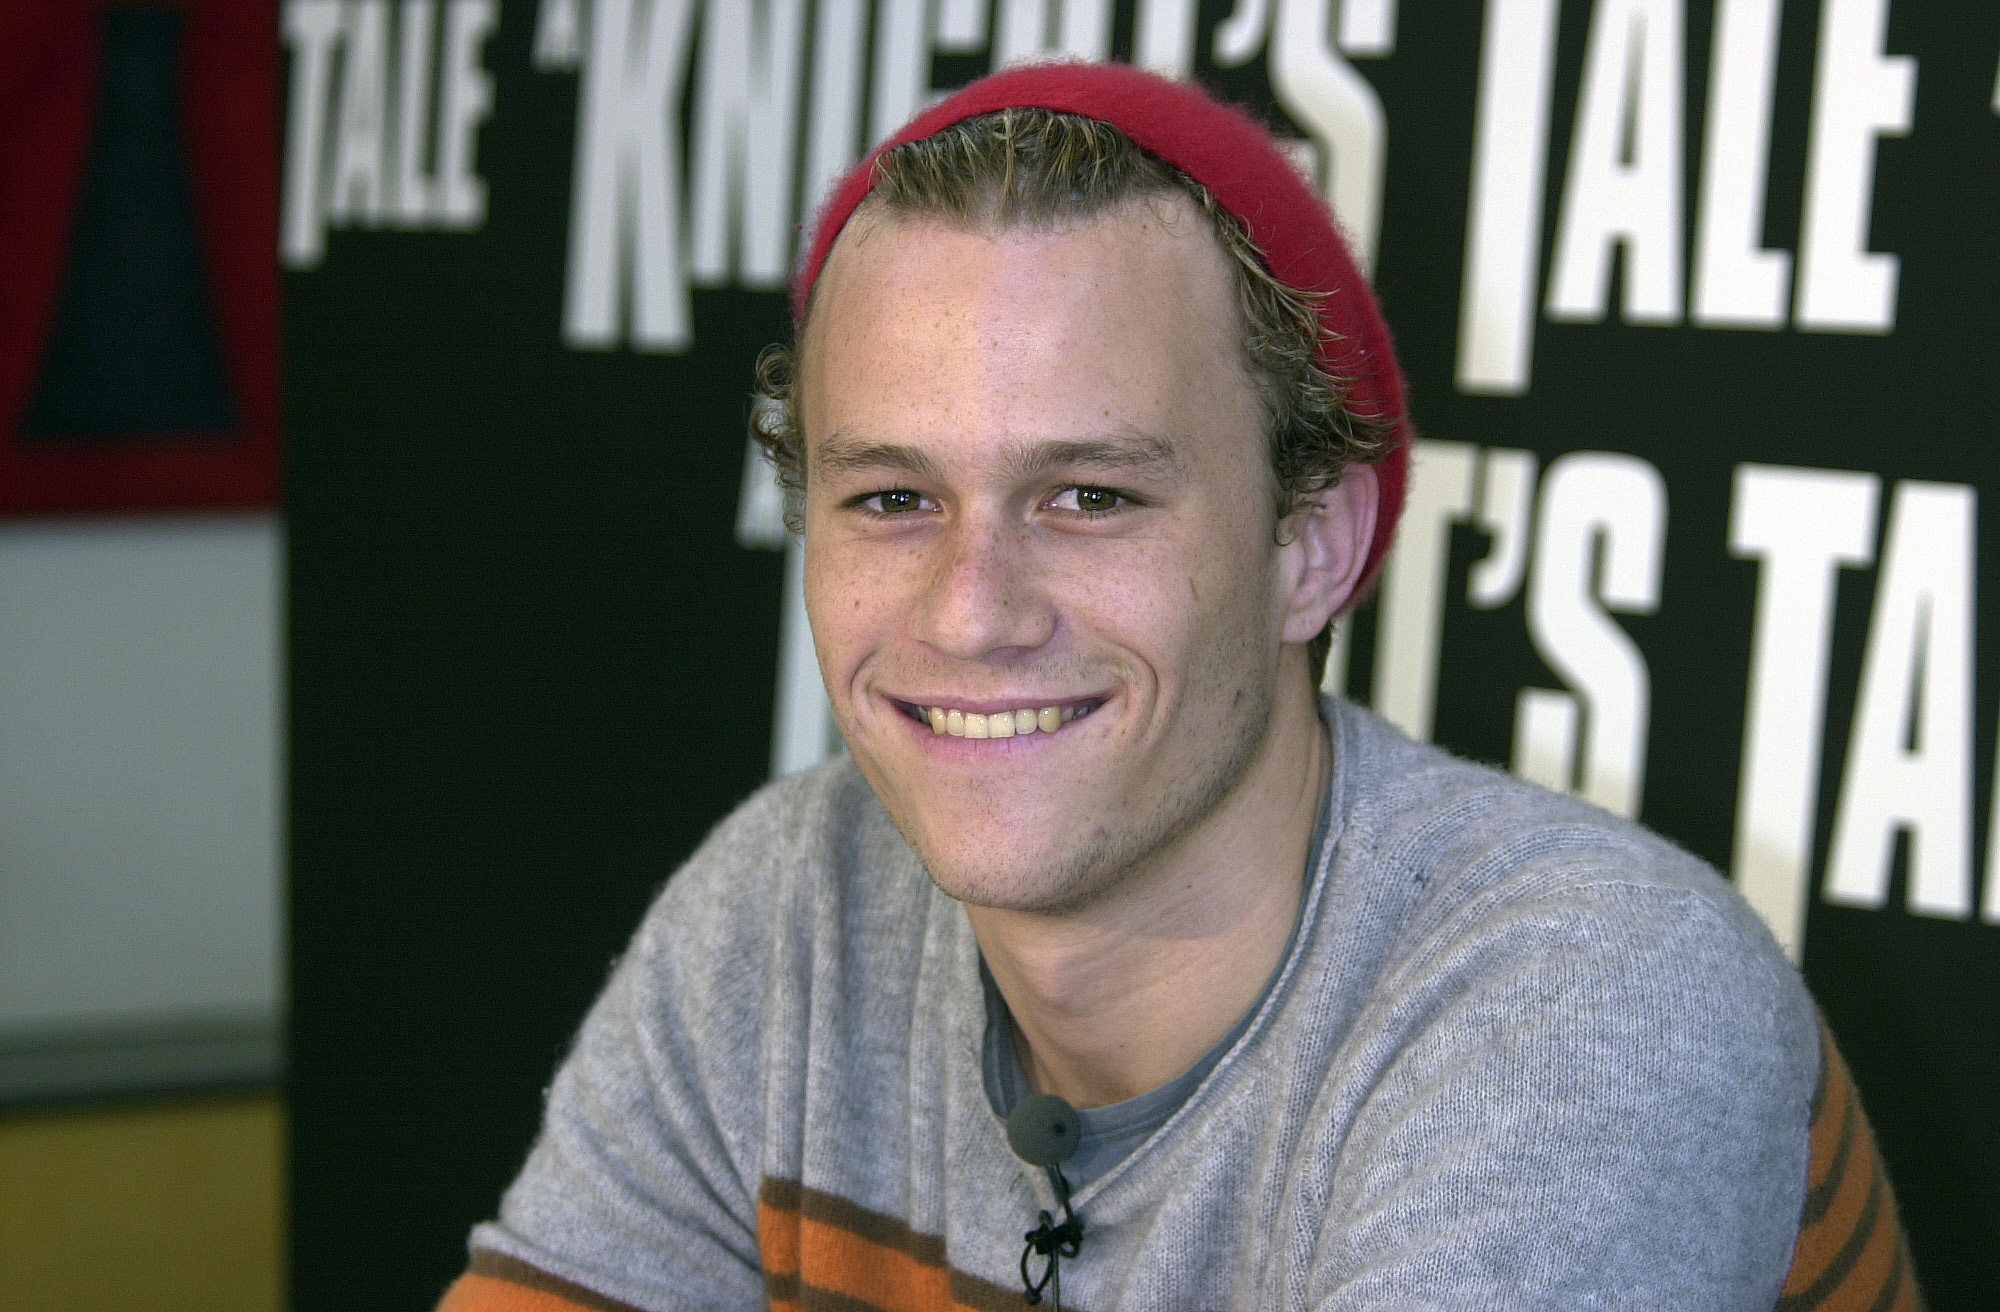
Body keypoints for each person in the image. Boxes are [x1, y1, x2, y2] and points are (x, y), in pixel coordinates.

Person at [439, 63, 1919, 1312]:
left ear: (1311, 546)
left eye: (1089, 497)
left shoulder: (1590, 1002)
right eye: (892, 498)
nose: (974, 609)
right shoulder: (789, 900)